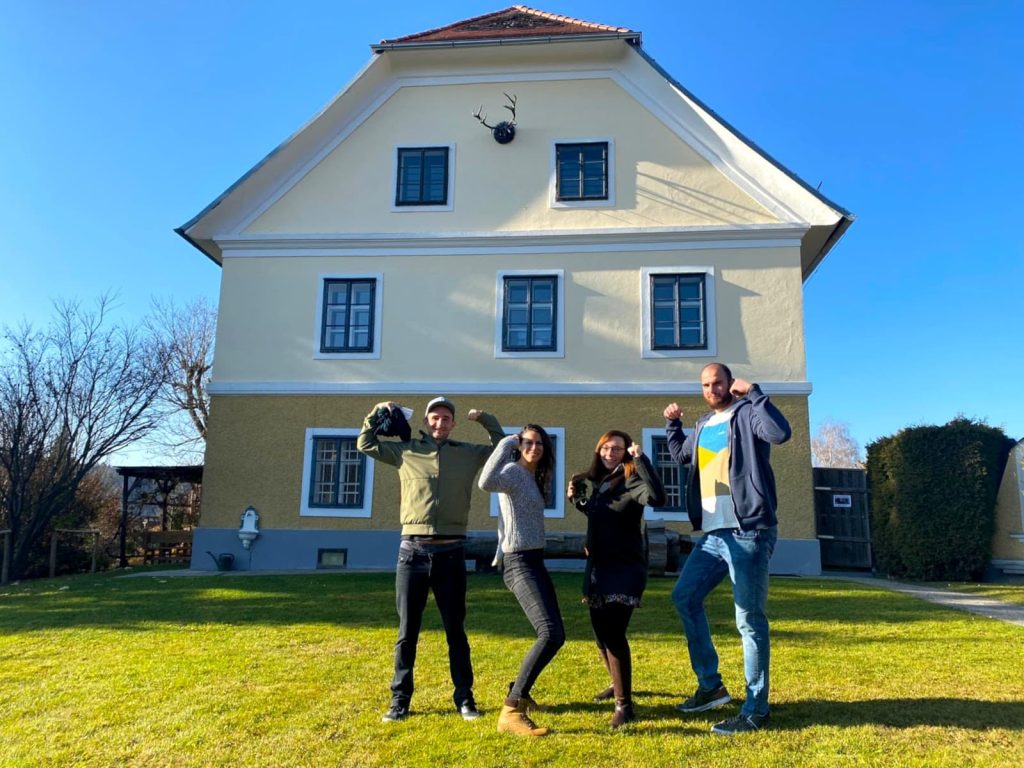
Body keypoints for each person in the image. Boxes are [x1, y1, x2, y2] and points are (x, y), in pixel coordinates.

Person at [358, 396, 505, 724]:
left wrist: (485, 418)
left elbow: (503, 447)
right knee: (407, 630)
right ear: (426, 422)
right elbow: (366, 443)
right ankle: (399, 701)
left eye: (446, 418)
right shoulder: (406, 451)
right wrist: (379, 411)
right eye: (434, 418)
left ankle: (465, 698)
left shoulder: (467, 453)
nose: (440, 423)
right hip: (412, 552)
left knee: (456, 630)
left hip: (452, 553)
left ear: (453, 423)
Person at [663, 363, 791, 735]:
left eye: (717, 382)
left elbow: (781, 433)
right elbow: (682, 456)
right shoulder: (704, 424)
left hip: (749, 530)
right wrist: (673, 425)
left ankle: (756, 709)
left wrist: (755, 392)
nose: (711, 388)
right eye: (705, 384)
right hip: (714, 535)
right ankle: (711, 687)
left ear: (729, 383)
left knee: (748, 620)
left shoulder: (749, 414)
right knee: (685, 597)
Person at [568, 430, 666, 729]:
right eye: (606, 447)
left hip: (624, 568)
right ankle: (616, 681)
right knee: (600, 634)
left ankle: (624, 706)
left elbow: (656, 498)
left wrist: (641, 459)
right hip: (598, 566)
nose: (610, 452)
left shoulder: (631, 478)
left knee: (613, 633)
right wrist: (578, 502)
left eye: (617, 448)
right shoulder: (598, 482)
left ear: (625, 452)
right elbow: (602, 518)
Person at [478, 425, 565, 737]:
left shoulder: (532, 477)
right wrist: (505, 443)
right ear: (519, 444)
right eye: (528, 441)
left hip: (534, 560)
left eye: (540, 442)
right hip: (518, 563)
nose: (535, 446)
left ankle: (521, 691)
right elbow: (485, 482)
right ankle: (511, 710)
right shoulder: (513, 471)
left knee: (557, 633)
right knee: (550, 633)